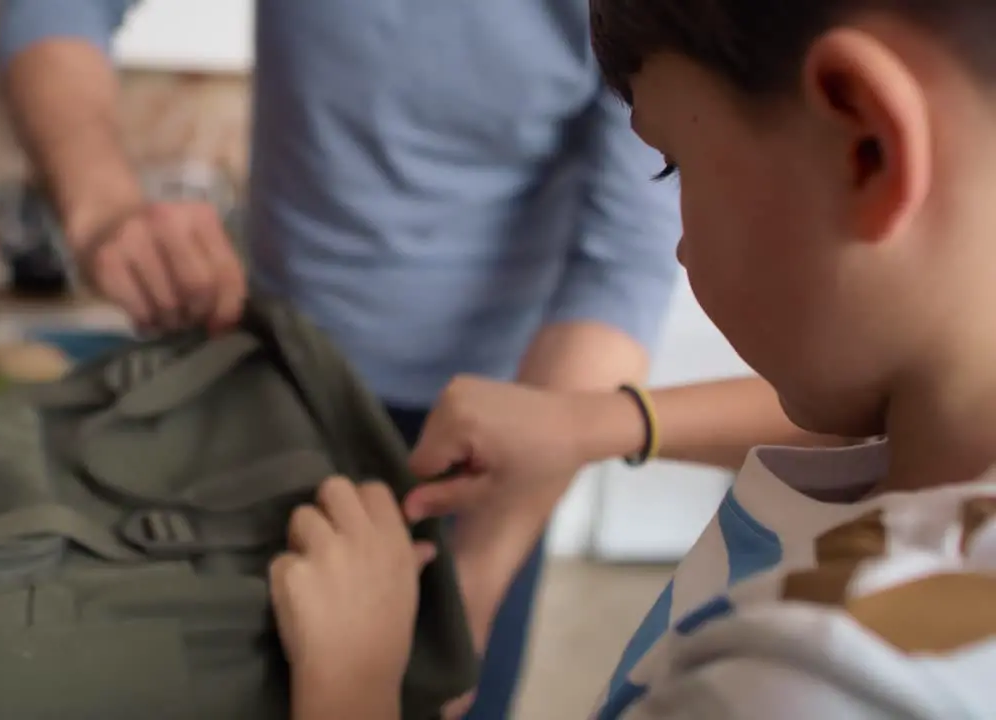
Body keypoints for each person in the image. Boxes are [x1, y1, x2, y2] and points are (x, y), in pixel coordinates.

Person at [0, 2, 843, 716]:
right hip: (268, 378)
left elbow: (620, 265)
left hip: (488, 442)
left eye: (682, 167)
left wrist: (467, 588)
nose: (689, 255)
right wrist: (103, 203)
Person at [266, 0, 996, 717]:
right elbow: (871, 433)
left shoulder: (798, 691)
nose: (678, 245)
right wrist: (601, 424)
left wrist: (353, 683)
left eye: (673, 165)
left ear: (865, 144)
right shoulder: (943, 444)